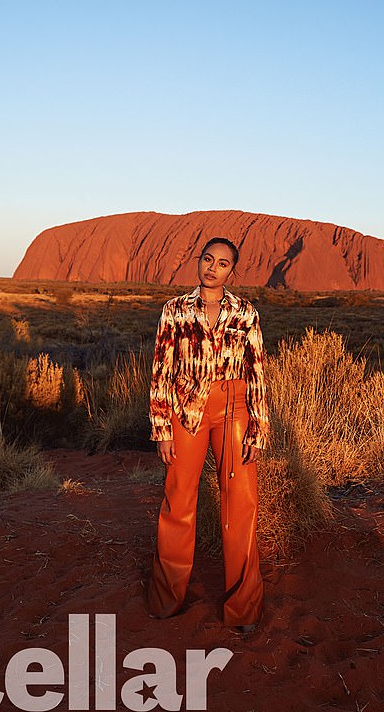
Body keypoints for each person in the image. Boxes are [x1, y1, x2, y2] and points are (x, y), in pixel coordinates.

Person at [146, 237, 270, 634]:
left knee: (241, 503)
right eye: (207, 259)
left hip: (235, 406)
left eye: (222, 263)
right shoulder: (175, 311)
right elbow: (161, 370)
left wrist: (259, 425)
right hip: (188, 408)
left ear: (232, 271)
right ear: (197, 262)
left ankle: (244, 610)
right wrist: (162, 427)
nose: (212, 268)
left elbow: (257, 370)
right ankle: (167, 601)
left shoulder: (245, 312)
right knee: (179, 498)